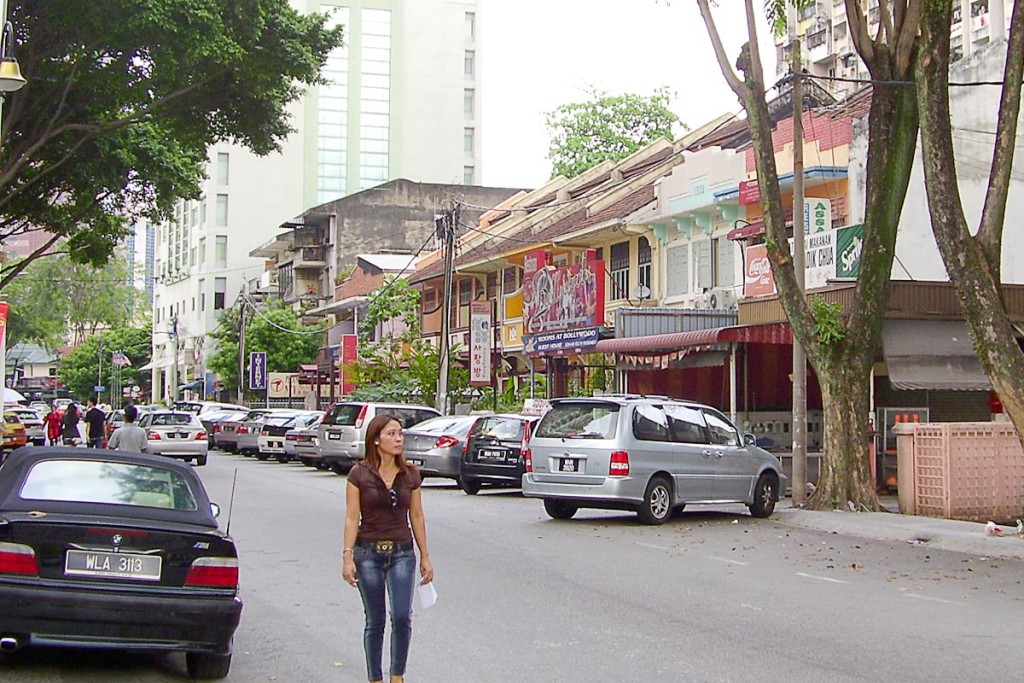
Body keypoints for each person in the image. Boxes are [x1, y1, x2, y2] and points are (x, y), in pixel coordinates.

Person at [343, 415, 433, 683]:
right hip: (367, 553)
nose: (398, 439)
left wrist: (425, 556)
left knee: (402, 616)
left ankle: (397, 675)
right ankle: (375, 678)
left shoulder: (410, 475)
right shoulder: (358, 474)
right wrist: (347, 556)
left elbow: (416, 515)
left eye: (400, 434)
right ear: (376, 439)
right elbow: (351, 517)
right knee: (375, 621)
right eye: (391, 434)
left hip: (402, 553)